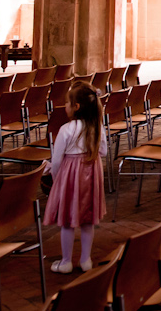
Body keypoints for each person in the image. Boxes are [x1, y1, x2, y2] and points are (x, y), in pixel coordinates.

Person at [43, 80, 108, 273]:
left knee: (67, 221)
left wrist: (56, 180)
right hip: (92, 174)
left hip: (70, 177)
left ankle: (66, 262)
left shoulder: (66, 129)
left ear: (76, 107)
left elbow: (56, 161)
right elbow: (103, 152)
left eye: (67, 103)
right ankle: (86, 260)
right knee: (88, 220)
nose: (65, 106)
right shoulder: (97, 127)